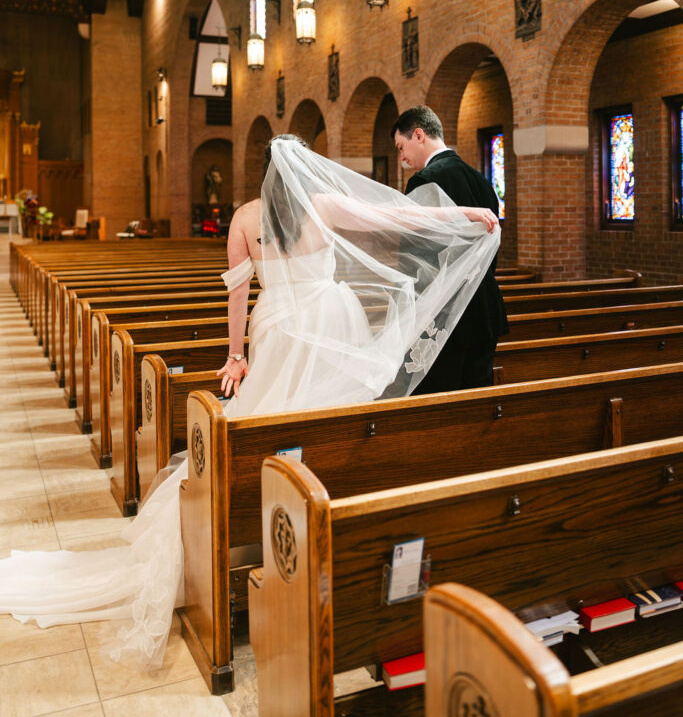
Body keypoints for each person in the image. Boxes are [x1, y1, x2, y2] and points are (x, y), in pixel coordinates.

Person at [0, 134, 499, 668]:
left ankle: (259, 523)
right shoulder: (323, 204)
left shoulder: (243, 219)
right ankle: (313, 518)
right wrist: (469, 214)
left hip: (279, 327)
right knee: (329, 420)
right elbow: (398, 219)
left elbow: (237, 295)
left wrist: (235, 356)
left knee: (268, 422)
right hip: (335, 322)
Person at [392, 106, 509, 393]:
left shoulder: (425, 181)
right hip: (484, 312)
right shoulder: (481, 180)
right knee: (475, 403)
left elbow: (415, 255)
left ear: (418, 135)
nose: (402, 158)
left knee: (440, 410)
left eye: (401, 146)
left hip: (447, 318)